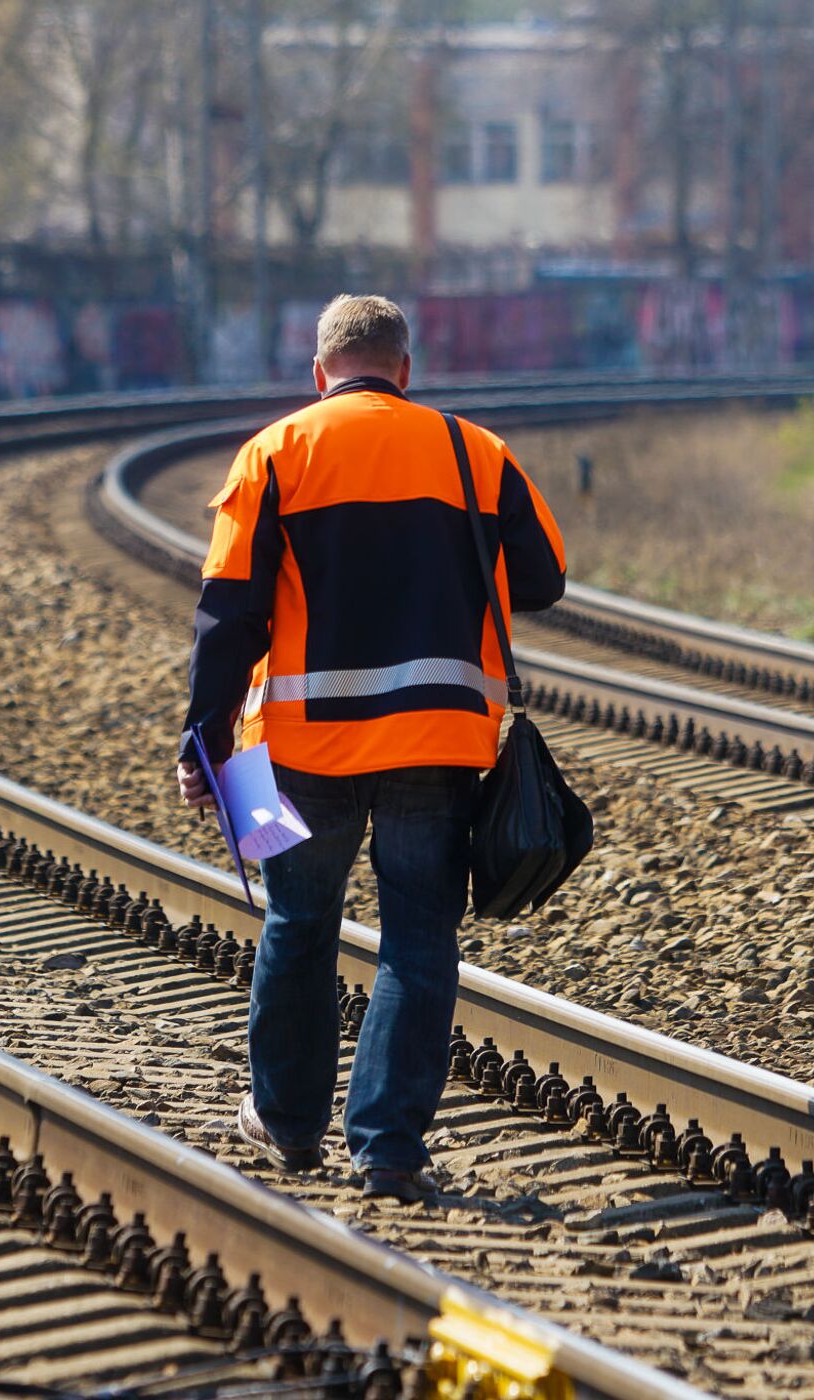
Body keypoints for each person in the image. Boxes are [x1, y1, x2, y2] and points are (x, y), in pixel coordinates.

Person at [176, 294, 566, 1201]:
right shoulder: (477, 454)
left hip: (302, 747)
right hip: (437, 740)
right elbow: (543, 578)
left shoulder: (274, 453)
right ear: (405, 368)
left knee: (297, 923)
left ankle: (286, 1121)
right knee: (419, 939)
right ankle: (387, 1147)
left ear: (320, 374)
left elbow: (227, 616)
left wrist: (203, 742)